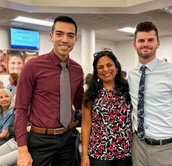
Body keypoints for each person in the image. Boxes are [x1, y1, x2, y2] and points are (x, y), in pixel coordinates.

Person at [14, 16, 84, 166]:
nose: (65, 39)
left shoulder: (77, 70)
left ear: (75, 40)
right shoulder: (33, 66)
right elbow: (20, 108)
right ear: (51, 36)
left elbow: (81, 103)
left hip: (69, 138)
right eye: (59, 34)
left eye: (70, 35)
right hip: (40, 140)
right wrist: (22, 150)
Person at [128, 21, 172, 166]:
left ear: (158, 43)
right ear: (134, 45)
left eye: (150, 40)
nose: (145, 44)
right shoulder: (132, 75)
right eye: (141, 40)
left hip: (167, 148)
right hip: (138, 146)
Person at [81, 50, 132, 166]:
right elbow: (86, 124)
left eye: (109, 65)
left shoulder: (127, 90)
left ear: (116, 67)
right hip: (99, 153)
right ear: (96, 72)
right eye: (100, 67)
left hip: (124, 153)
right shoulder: (90, 94)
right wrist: (84, 155)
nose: (105, 70)